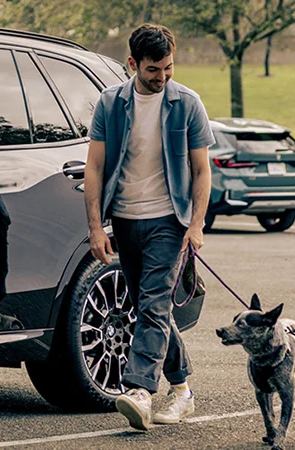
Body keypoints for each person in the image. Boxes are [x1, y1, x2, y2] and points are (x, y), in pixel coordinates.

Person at [84, 24, 215, 431]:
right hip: (124, 217)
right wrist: (95, 227)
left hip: (167, 220)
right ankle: (182, 390)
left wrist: (196, 225)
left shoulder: (187, 104)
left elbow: (201, 170)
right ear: (132, 64)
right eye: (153, 70)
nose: (162, 77)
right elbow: (95, 166)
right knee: (146, 307)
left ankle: (139, 389)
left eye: (169, 68)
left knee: (155, 302)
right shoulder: (110, 104)